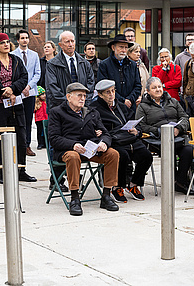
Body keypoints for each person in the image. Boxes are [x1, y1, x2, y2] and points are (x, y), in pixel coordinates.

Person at [48, 82, 120, 216]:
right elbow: (54, 138)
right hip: (68, 150)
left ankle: (106, 195)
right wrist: (73, 145)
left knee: (113, 154)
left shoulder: (92, 112)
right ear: (69, 97)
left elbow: (105, 133)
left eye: (85, 96)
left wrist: (104, 142)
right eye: (79, 95)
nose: (83, 98)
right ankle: (75, 198)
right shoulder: (57, 112)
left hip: (89, 149)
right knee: (73, 156)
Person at [0, 33, 37, 183]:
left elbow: (24, 77)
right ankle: (1, 172)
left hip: (15, 103)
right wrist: (4, 90)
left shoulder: (16, 60)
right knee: (0, 137)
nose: (6, 44)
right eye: (2, 43)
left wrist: (12, 89)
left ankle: (21, 170)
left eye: (7, 42)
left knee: (21, 136)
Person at [91, 79, 153, 202]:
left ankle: (133, 184)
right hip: (112, 140)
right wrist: (97, 133)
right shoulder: (94, 109)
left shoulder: (120, 105)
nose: (111, 94)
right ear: (99, 94)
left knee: (146, 156)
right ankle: (117, 187)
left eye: (113, 91)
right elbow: (91, 127)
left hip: (128, 138)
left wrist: (137, 131)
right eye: (107, 92)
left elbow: (135, 121)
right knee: (121, 155)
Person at [136, 77, 194, 195]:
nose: (158, 89)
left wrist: (179, 128)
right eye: (154, 88)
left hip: (177, 136)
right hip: (157, 139)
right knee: (169, 150)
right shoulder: (143, 106)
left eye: (159, 87)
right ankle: (172, 181)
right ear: (147, 91)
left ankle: (180, 181)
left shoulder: (173, 101)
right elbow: (141, 125)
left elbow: (184, 118)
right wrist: (160, 131)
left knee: (188, 150)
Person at [11, 29, 41, 157]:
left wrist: (28, 86)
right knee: (16, 119)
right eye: (22, 38)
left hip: (30, 92)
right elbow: (12, 74)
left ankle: (27, 144)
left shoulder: (34, 55)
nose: (24, 40)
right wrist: (21, 87)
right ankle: (17, 144)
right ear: (18, 40)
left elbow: (37, 73)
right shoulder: (12, 54)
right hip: (17, 92)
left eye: (26, 38)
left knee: (28, 119)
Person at [46, 31, 95, 108]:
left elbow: (90, 86)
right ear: (60, 45)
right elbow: (52, 88)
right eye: (67, 42)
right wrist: (70, 103)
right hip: (61, 109)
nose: (71, 44)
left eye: (72, 41)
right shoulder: (52, 64)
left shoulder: (85, 63)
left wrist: (83, 102)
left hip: (82, 108)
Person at [97, 34, 142, 110]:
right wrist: (122, 100)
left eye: (126, 47)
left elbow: (138, 86)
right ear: (113, 48)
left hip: (130, 107)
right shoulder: (104, 65)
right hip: (112, 107)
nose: (124, 50)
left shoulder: (133, 65)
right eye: (121, 47)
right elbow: (103, 87)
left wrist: (130, 99)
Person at [34, 86, 48, 150]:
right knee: (39, 132)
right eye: (42, 94)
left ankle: (45, 143)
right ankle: (40, 143)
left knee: (46, 131)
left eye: (44, 94)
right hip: (39, 119)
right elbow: (34, 110)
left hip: (46, 118)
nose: (44, 95)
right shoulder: (37, 103)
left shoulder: (46, 102)